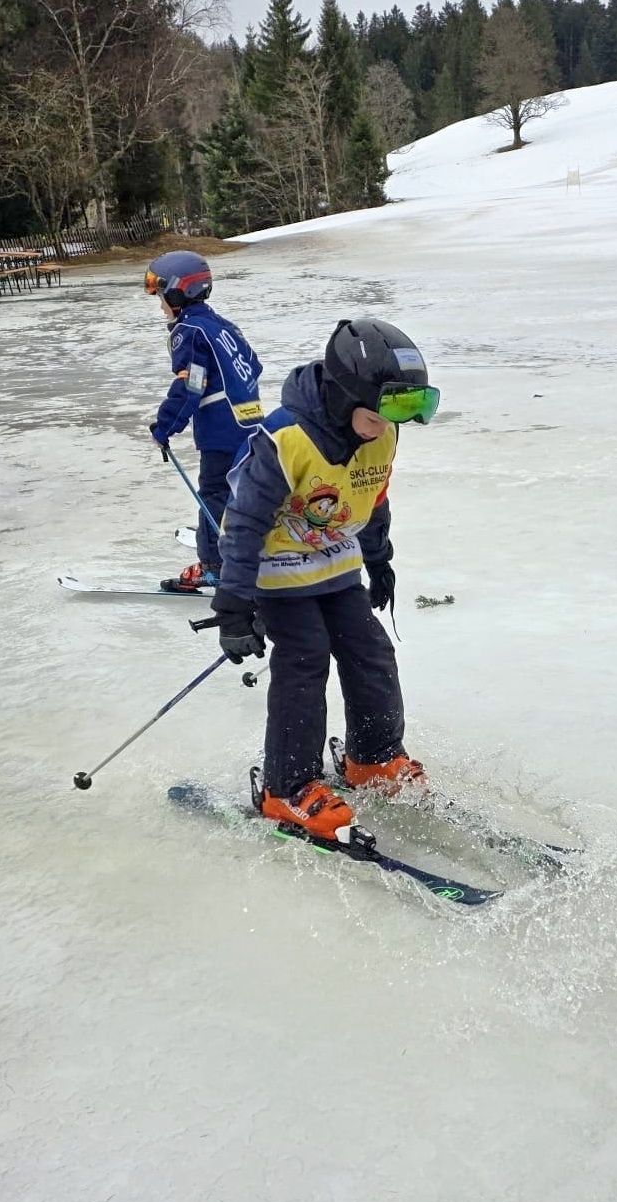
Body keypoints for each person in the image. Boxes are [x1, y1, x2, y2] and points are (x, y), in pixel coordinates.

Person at [207, 319, 440, 845]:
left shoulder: (382, 435)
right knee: (305, 655)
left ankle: (372, 760)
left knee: (369, 650)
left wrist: (379, 560)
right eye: (380, 411)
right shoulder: (286, 437)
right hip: (274, 563)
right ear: (343, 394)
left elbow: (372, 498)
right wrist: (234, 603)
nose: (386, 424)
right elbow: (243, 522)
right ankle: (287, 788)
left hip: (334, 561)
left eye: (401, 412)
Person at [143, 250, 264, 593]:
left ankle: (214, 567)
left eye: (159, 291)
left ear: (177, 291)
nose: (158, 301)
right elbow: (253, 366)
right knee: (243, 491)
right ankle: (251, 549)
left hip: (222, 430)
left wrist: (164, 427)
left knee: (214, 493)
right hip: (253, 423)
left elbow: (190, 385)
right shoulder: (223, 325)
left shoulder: (189, 331)